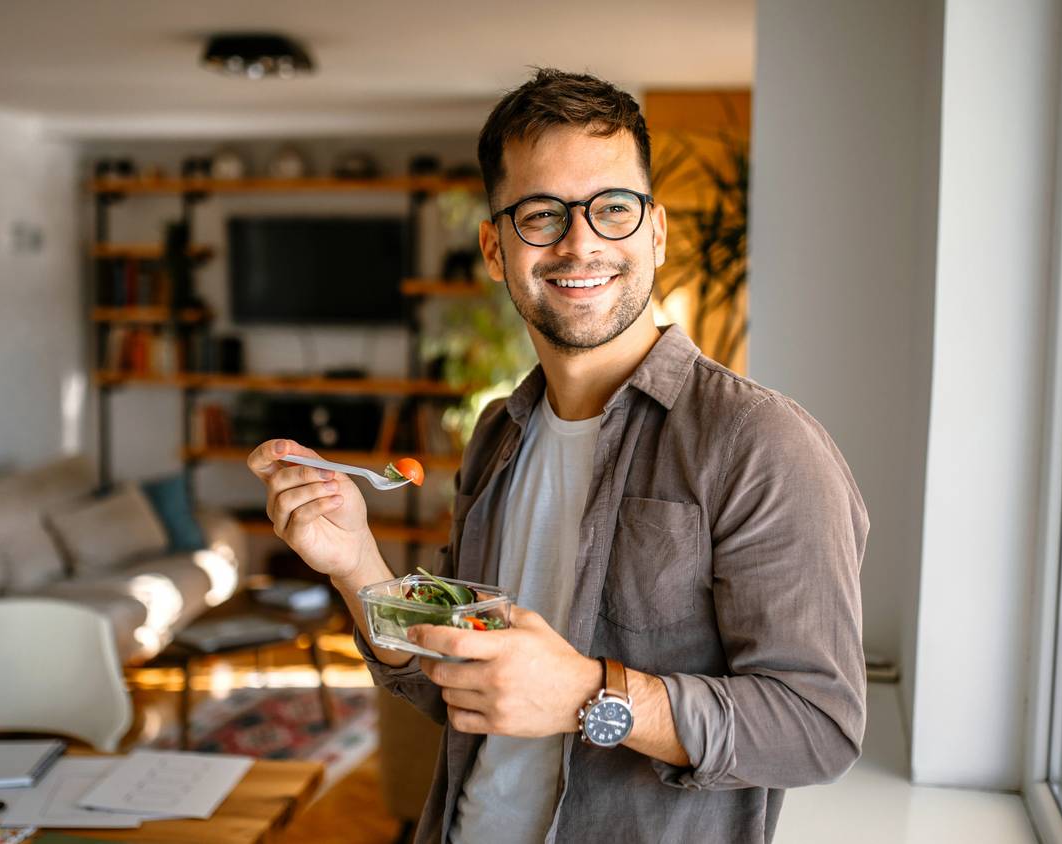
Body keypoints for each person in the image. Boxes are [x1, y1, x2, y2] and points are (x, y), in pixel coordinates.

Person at [247, 68, 868, 844]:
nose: (582, 242)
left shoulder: (762, 446)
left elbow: (818, 729)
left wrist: (585, 694)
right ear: (495, 248)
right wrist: (355, 560)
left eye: (613, 208)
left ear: (658, 231)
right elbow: (462, 682)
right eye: (542, 214)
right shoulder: (500, 433)